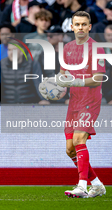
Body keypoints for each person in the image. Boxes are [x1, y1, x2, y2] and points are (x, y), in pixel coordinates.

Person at [43, 11, 106, 198]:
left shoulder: (96, 48)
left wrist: (74, 82)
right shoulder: (67, 49)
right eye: (76, 24)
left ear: (89, 26)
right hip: (74, 102)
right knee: (70, 149)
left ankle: (81, 186)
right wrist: (55, 86)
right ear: (71, 27)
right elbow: (63, 75)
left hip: (90, 101)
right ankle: (96, 184)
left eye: (83, 24)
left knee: (79, 140)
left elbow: (99, 78)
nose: (80, 27)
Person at [0, 38, 48, 105]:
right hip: (7, 105)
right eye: (9, 50)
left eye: (14, 50)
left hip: (29, 105)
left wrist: (43, 99)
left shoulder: (33, 64)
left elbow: (38, 83)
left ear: (21, 51)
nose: (11, 53)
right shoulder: (1, 64)